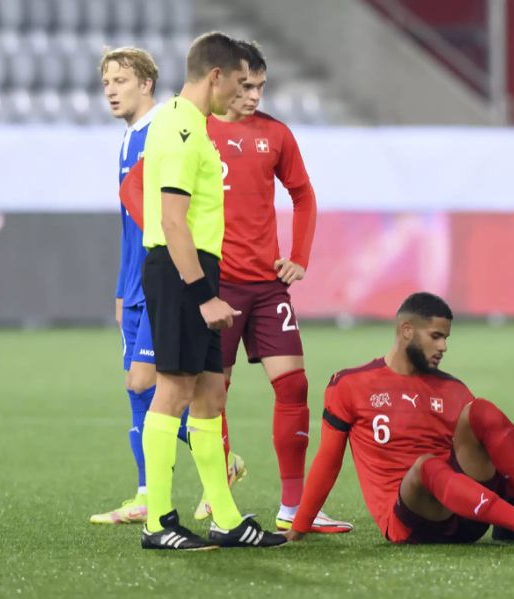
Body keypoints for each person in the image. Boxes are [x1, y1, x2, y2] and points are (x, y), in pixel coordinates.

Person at [284, 292, 514, 550]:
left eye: (446, 338)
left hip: (468, 516)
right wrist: (299, 527)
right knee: (426, 466)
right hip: (411, 521)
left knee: (481, 410)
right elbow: (328, 461)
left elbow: (485, 450)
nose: (443, 347)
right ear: (406, 331)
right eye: (436, 336)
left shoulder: (453, 389)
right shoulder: (350, 385)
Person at [139, 31, 283, 550]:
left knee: (209, 392)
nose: (241, 95)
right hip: (179, 270)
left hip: (195, 268)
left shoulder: (192, 127)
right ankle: (158, 523)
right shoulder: (179, 126)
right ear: (215, 76)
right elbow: (173, 221)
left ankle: (224, 517)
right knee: (174, 389)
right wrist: (204, 294)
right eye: (239, 83)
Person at [200, 41, 351, 533]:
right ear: (221, 79)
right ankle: (217, 498)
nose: (254, 95)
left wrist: (299, 259)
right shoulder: (192, 131)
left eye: (261, 86)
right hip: (216, 286)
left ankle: (292, 505)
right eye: (246, 86)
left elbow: (304, 195)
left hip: (267, 287)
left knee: (294, 385)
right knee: (212, 394)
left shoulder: (275, 134)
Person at [90, 47, 165, 525]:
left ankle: (221, 459)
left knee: (148, 383)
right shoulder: (126, 139)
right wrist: (121, 290)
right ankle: (145, 492)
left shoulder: (163, 132)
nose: (112, 90)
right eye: (106, 83)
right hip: (135, 288)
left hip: (162, 283)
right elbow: (127, 225)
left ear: (146, 83)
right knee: (136, 392)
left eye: (120, 80)